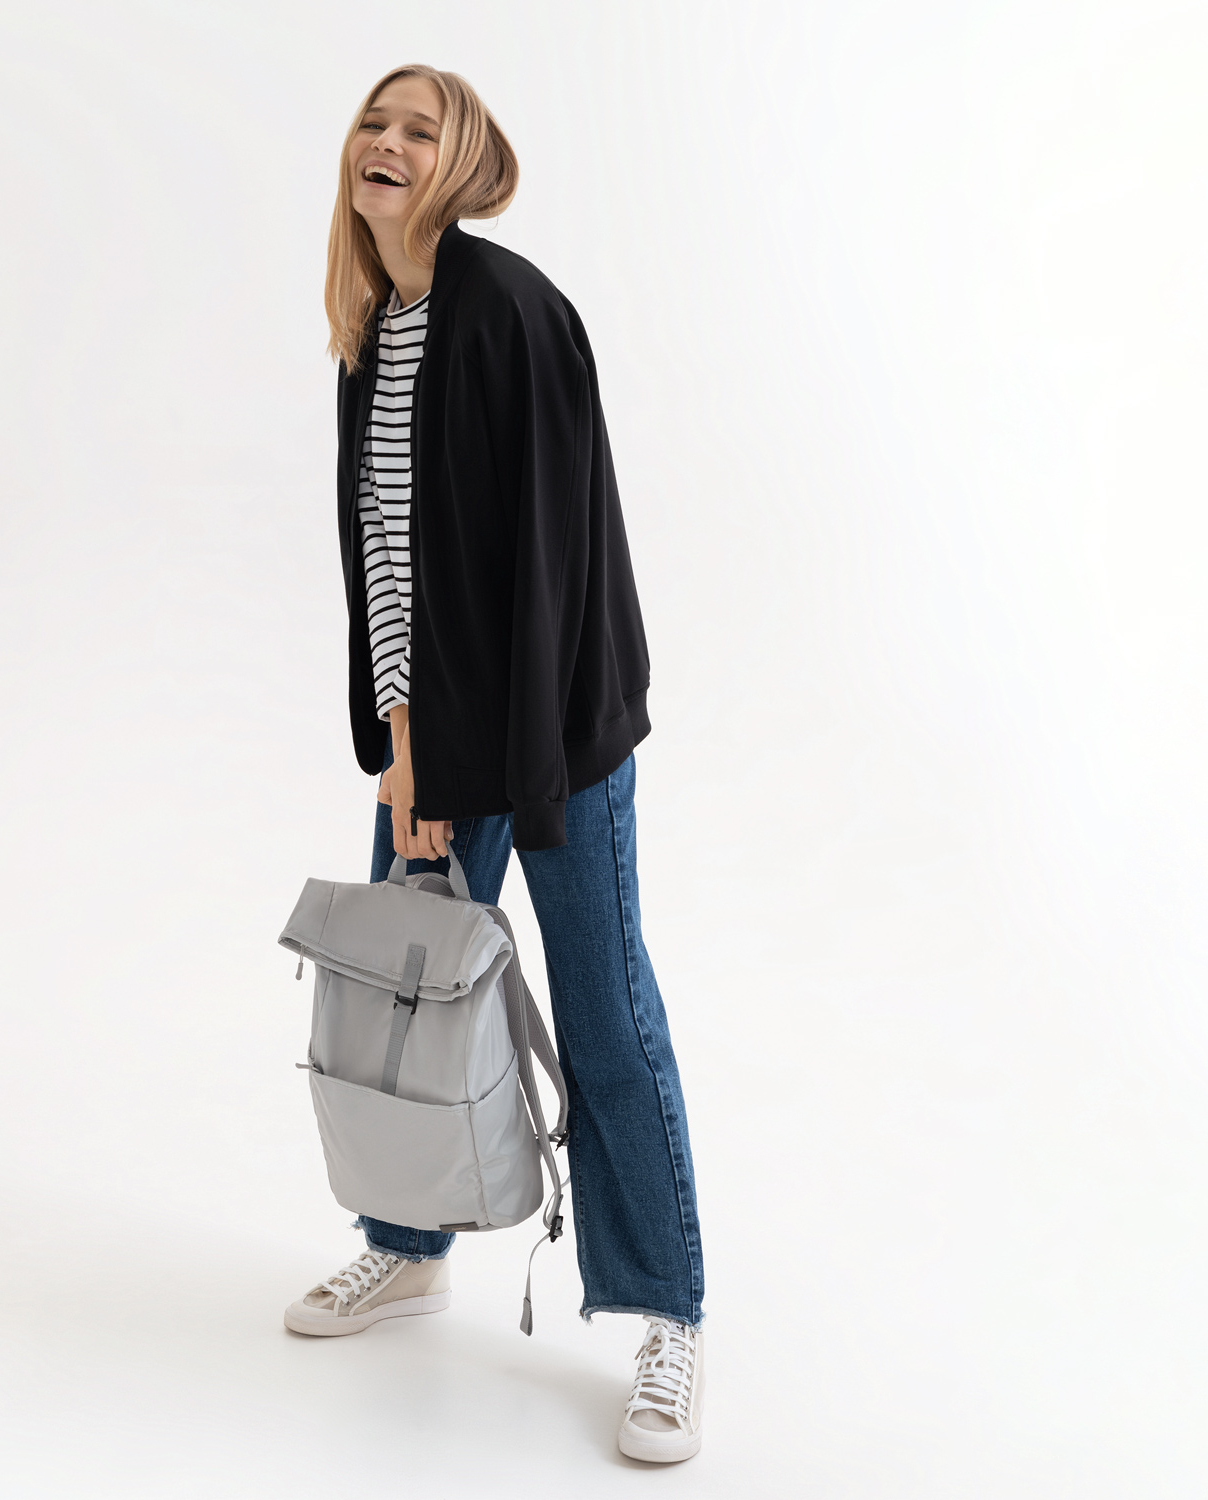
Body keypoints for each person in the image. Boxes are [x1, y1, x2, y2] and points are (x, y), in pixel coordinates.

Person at [282, 63, 705, 1465]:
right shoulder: (375, 329)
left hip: (552, 734)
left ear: (461, 166)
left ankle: (669, 1316)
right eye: (374, 122)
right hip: (440, 744)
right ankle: (406, 1248)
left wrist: (474, 776)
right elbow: (393, 578)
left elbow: (542, 576)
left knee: (603, 1012)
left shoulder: (510, 312)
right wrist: (403, 757)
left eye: (422, 129)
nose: (388, 142)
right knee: (406, 999)